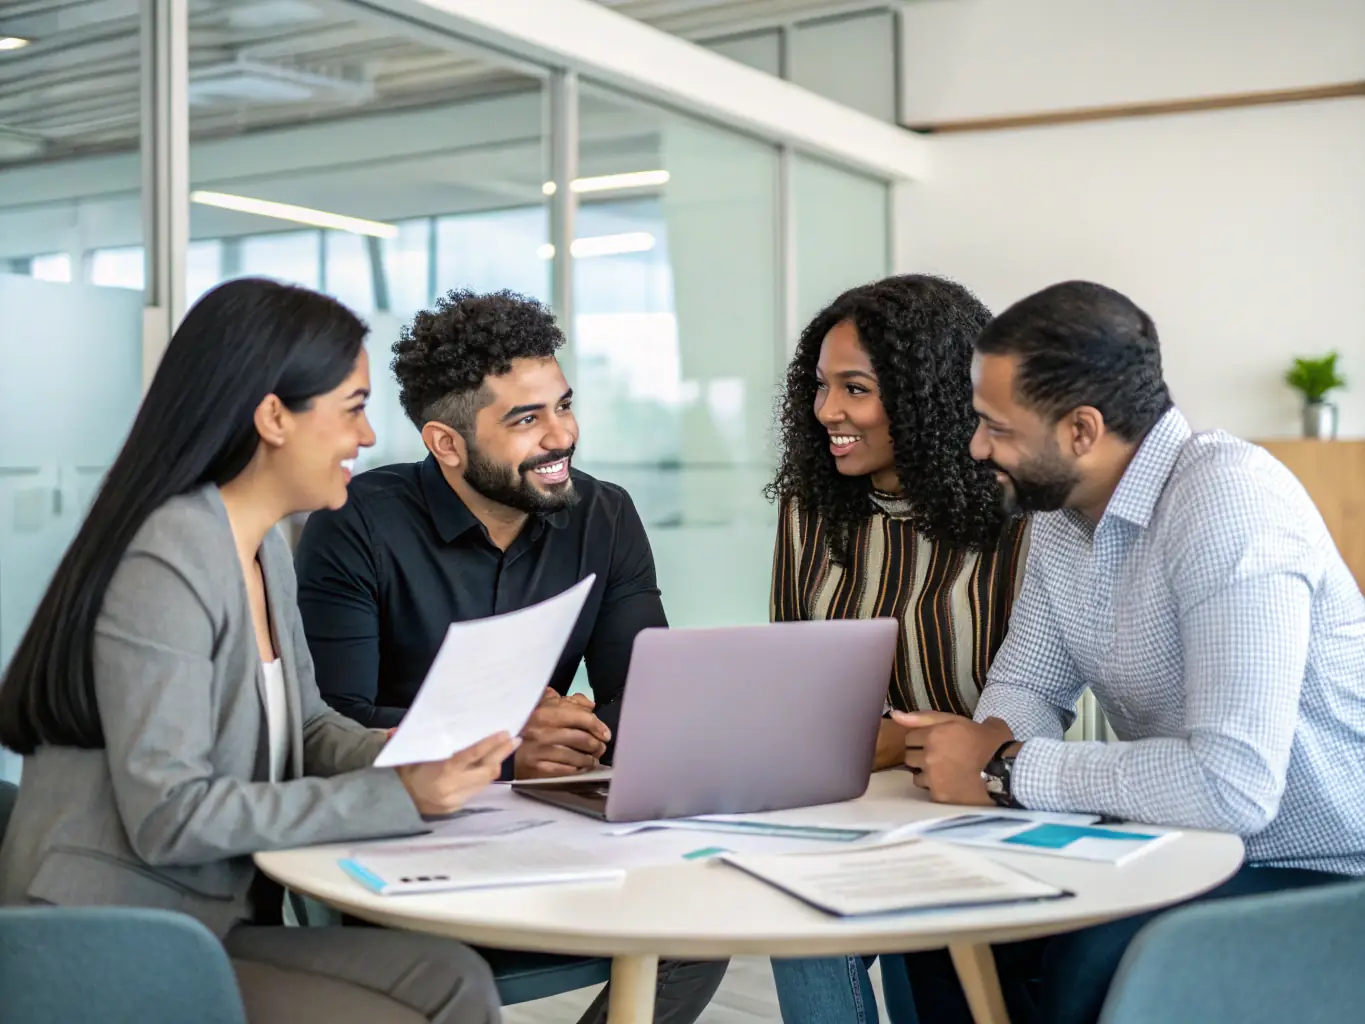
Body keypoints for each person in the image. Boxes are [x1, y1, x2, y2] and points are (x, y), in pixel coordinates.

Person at [0, 278, 514, 1023]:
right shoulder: (168, 557)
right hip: (106, 938)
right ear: (274, 417)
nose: (368, 437)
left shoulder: (263, 546)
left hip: (205, 916)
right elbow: (171, 814)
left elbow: (304, 726)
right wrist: (399, 797)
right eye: (353, 408)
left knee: (452, 977)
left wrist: (401, 753)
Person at [896, 280, 1365, 1024]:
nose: (977, 447)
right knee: (940, 926)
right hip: (1195, 845)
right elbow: (1028, 683)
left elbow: (1234, 785)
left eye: (996, 427)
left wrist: (1004, 768)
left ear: (1081, 430)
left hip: (1323, 870)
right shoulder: (1061, 515)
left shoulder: (1227, 503)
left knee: (1094, 958)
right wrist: (989, 749)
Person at [293, 288, 727, 1024]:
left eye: (563, 405)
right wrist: (508, 748)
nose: (562, 435)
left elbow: (645, 695)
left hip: (548, 831)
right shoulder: (355, 523)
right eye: (526, 420)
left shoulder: (605, 515)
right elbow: (334, 719)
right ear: (447, 443)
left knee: (699, 928)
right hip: (404, 839)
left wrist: (575, 735)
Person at [765, 275, 1029, 1024]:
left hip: (984, 806)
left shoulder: (1021, 517)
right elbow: (792, 684)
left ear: (928, 398)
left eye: (855, 388)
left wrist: (880, 739)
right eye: (820, 386)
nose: (827, 411)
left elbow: (1031, 706)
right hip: (850, 800)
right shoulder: (811, 509)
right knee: (796, 902)